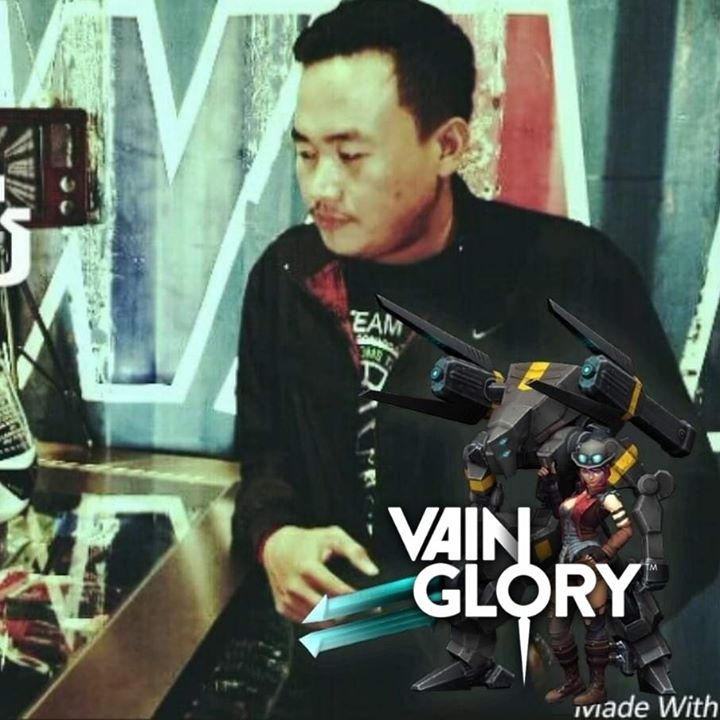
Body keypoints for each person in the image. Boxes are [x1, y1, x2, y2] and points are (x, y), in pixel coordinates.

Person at [225, 1, 720, 718]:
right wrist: (275, 537)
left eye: (351, 155)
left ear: (448, 145)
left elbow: (689, 494)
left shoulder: (570, 275)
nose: (320, 187)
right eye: (305, 153)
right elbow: (263, 454)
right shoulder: (287, 278)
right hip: (334, 676)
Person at [539, 432, 634, 706]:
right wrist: (550, 483)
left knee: (594, 624)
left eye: (595, 470)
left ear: (606, 470)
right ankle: (573, 681)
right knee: (557, 628)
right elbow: (560, 512)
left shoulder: (609, 499)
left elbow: (626, 529)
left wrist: (606, 551)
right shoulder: (576, 494)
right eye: (585, 470)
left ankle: (598, 688)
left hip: (589, 563)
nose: (590, 476)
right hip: (566, 561)